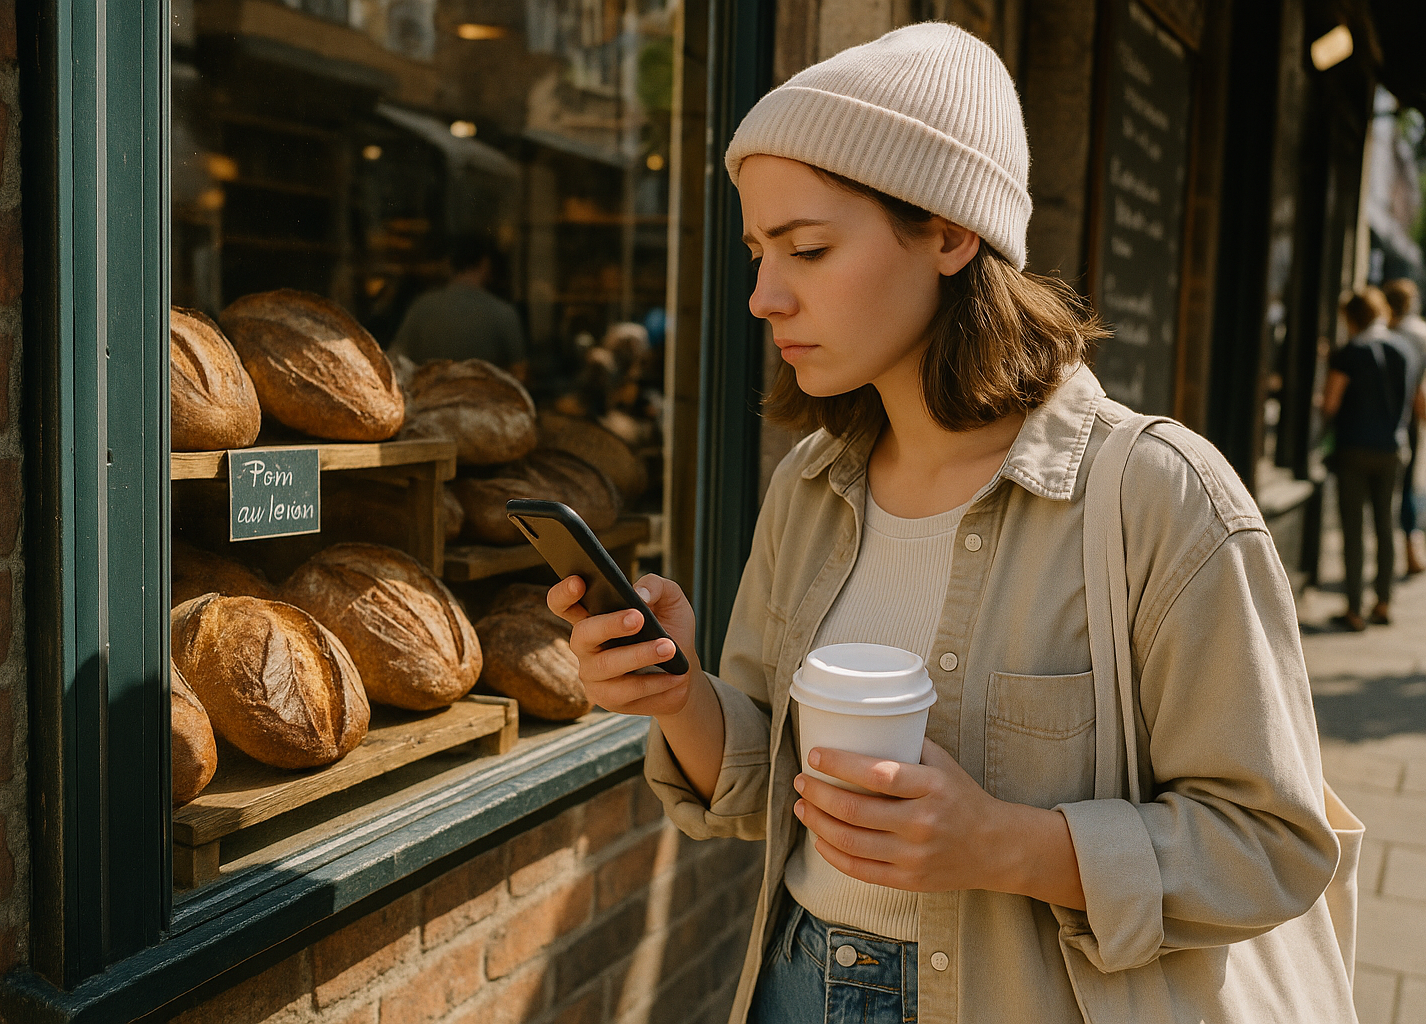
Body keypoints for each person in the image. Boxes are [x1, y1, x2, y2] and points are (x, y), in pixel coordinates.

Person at [548, 24, 1352, 1024]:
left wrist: (1004, 842)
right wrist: (675, 694)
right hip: (794, 984)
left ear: (949, 233)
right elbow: (761, 785)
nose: (763, 295)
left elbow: (1275, 843)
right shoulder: (812, 482)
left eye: (807, 247)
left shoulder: (1158, 497)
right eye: (759, 251)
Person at [1323, 287, 1415, 630]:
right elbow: (1412, 403)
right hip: (1392, 449)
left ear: (1351, 317)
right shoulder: (1404, 350)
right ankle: (1384, 602)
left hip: (1353, 449)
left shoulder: (1348, 354)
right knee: (1385, 526)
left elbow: (1331, 404)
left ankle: (1354, 609)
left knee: (1353, 529)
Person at [389, 233, 528, 379]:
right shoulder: (503, 312)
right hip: (483, 399)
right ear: (486, 263)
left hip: (426, 399)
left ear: (449, 263)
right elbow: (520, 374)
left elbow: (395, 360)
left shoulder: (422, 306)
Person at [1383, 278, 1426, 574]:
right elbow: (1419, 386)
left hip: (1379, 418)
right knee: (1408, 486)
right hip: (1407, 420)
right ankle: (1410, 550)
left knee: (1382, 493)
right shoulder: (1420, 333)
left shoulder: (1383, 330)